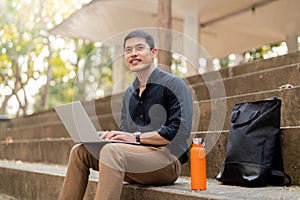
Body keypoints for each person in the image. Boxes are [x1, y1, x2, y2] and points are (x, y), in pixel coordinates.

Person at [59, 29, 193, 200]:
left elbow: (179, 132)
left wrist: (136, 138)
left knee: (111, 152)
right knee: (79, 152)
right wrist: (108, 137)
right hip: (133, 158)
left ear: (153, 53)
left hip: (166, 161)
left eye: (139, 48)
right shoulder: (129, 93)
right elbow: (125, 133)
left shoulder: (174, 84)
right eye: (128, 50)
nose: (133, 54)